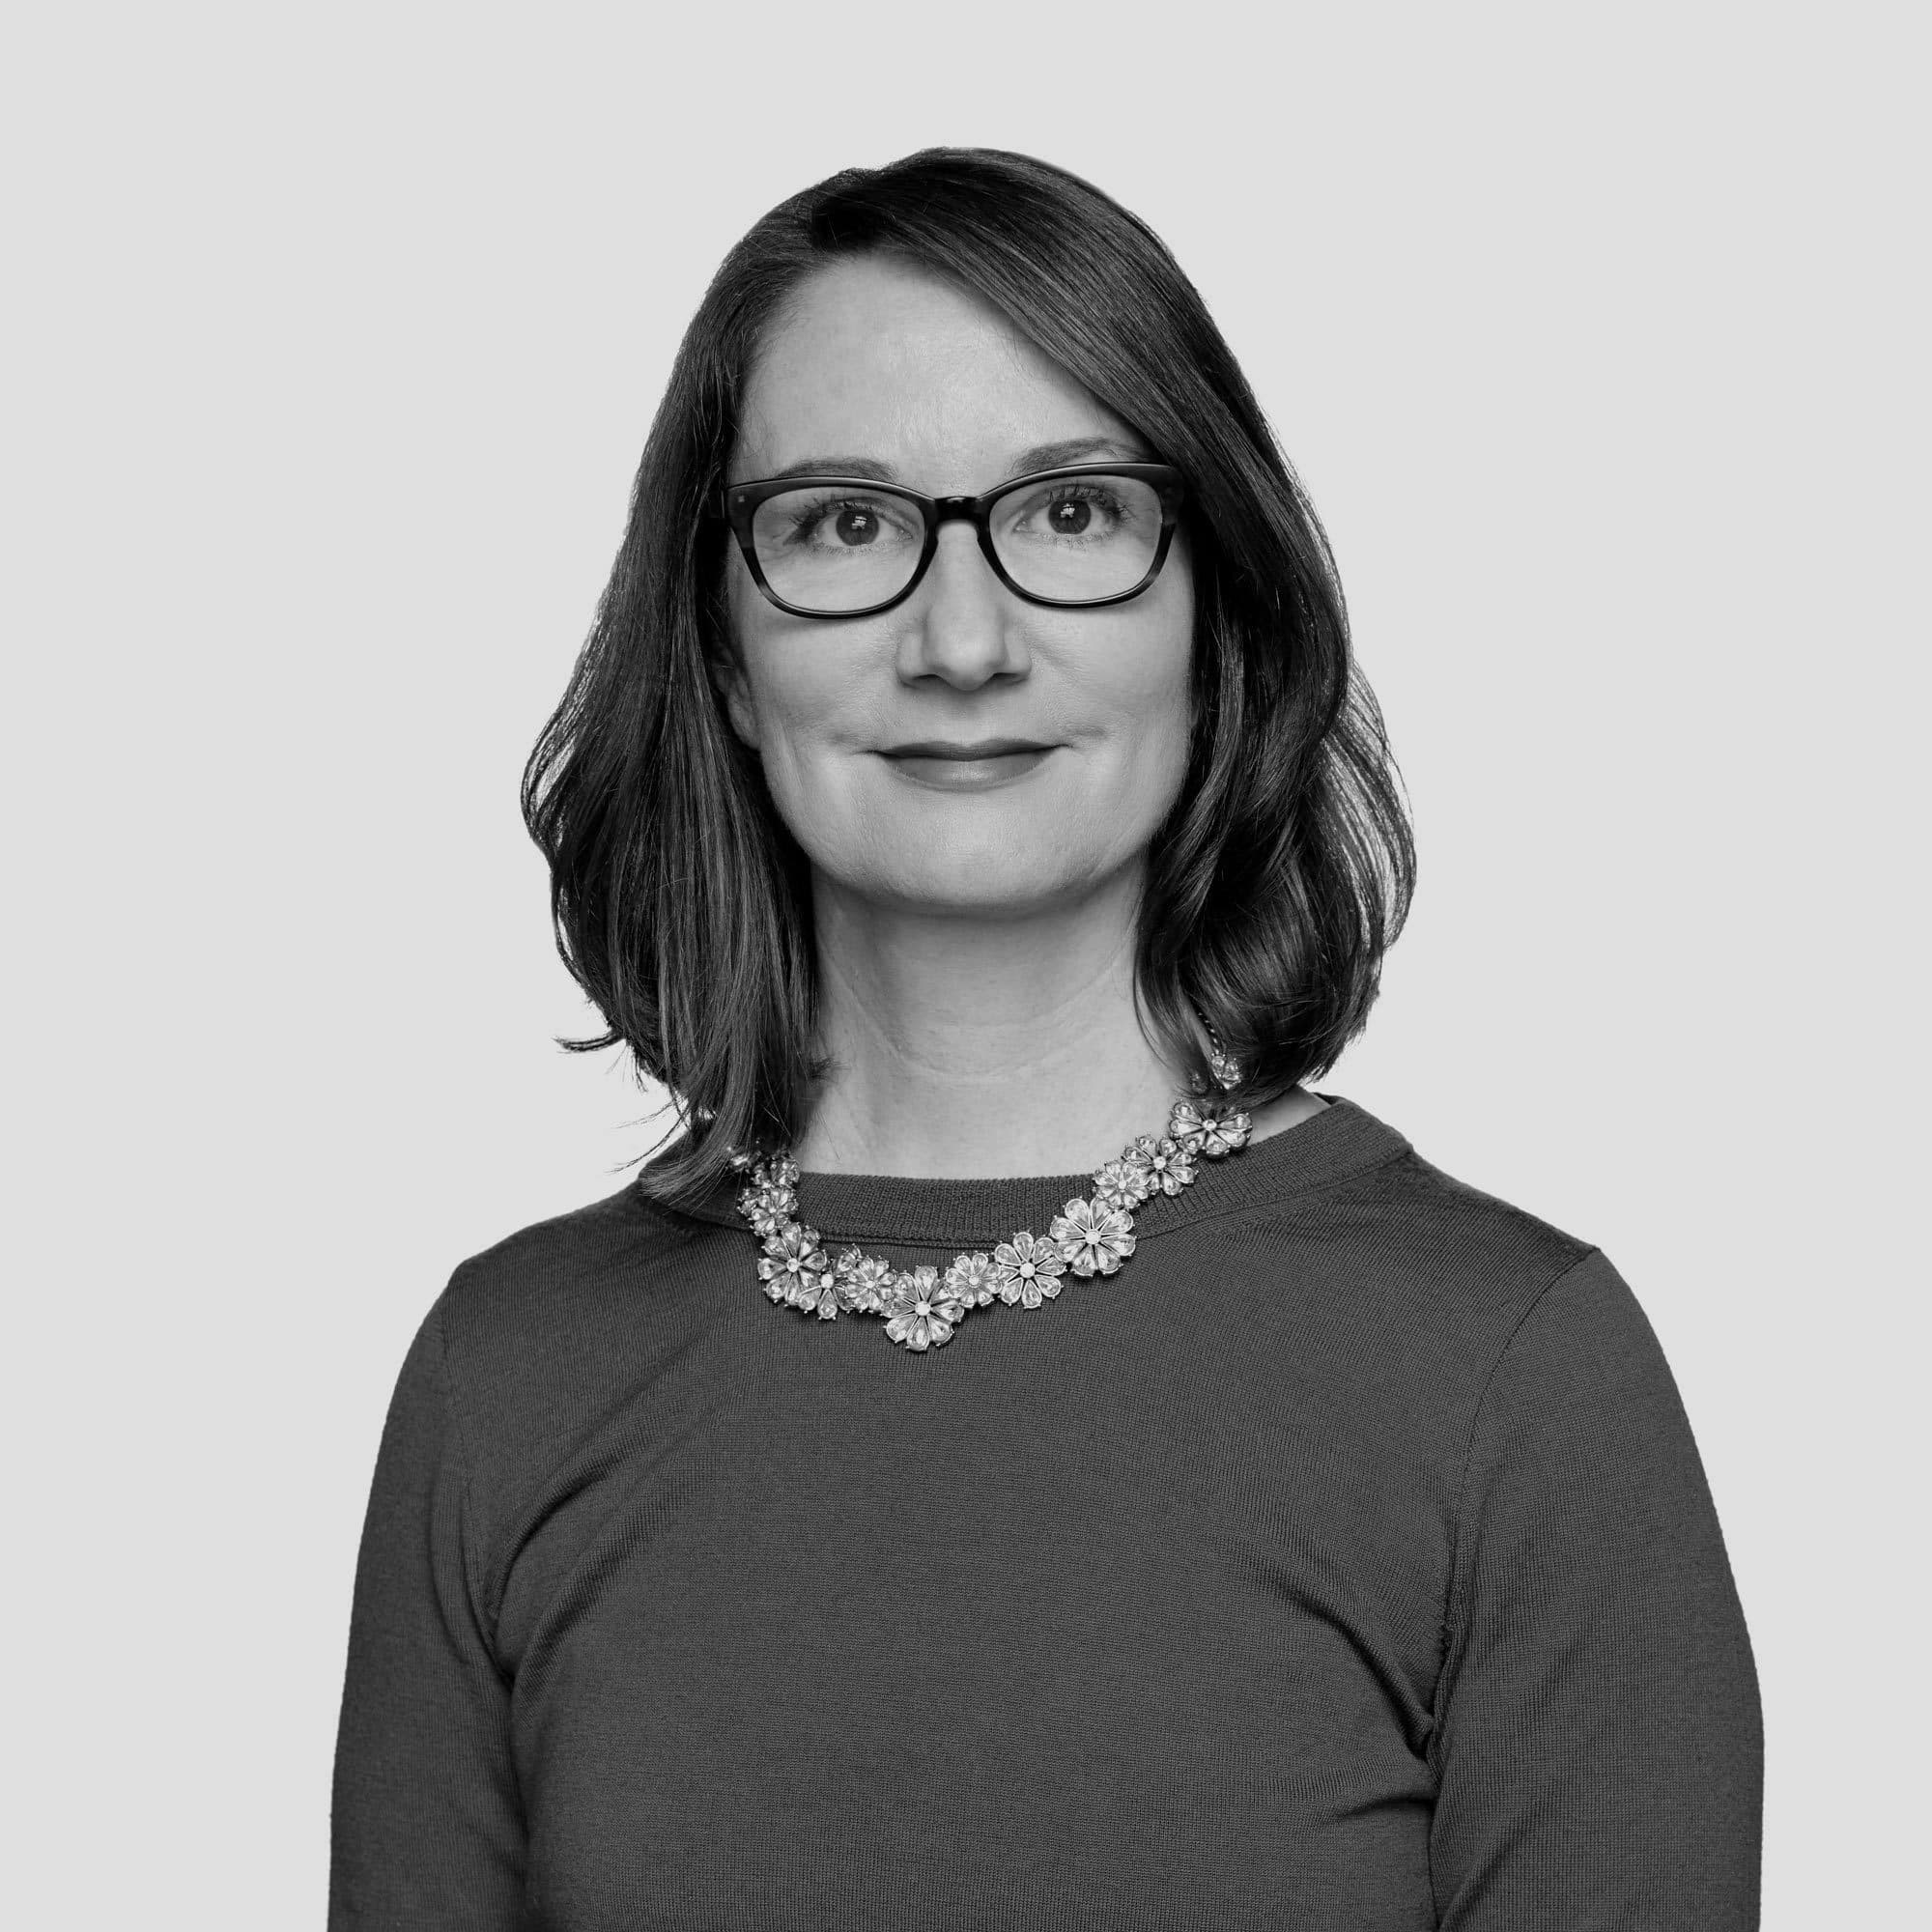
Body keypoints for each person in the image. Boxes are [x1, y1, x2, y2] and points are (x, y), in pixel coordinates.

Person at [328, 149, 1762, 1928]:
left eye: (1071, 513)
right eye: (844, 523)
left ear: (1214, 609)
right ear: (717, 647)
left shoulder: (1513, 1380)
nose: (962, 639)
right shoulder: (508, 1377)